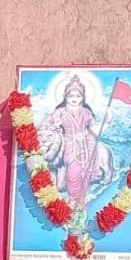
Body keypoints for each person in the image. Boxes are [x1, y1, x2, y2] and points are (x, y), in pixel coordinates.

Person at [38, 76, 114, 210]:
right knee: (73, 169)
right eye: (71, 95)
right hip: (68, 143)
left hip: (86, 142)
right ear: (65, 97)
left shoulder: (86, 112)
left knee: (88, 167)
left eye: (78, 96)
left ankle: (81, 200)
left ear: (82, 98)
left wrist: (106, 122)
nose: (74, 99)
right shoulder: (59, 112)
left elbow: (94, 129)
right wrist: (54, 126)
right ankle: (73, 199)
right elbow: (45, 126)